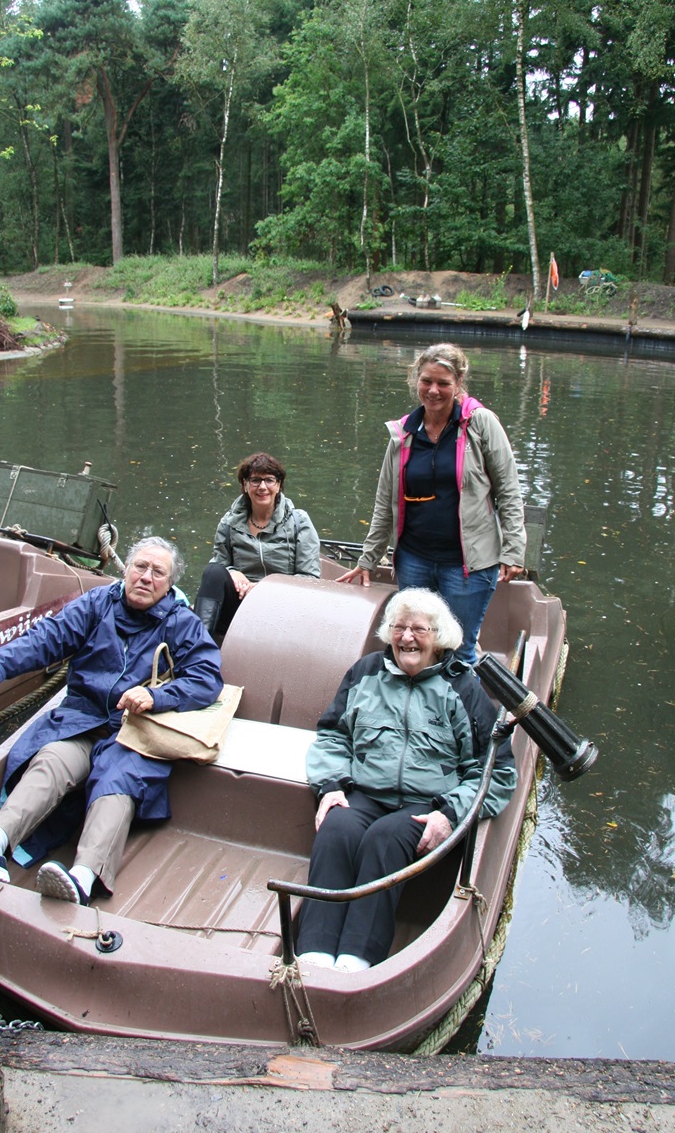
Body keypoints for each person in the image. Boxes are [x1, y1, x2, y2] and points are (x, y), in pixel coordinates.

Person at [0, 535, 223, 906]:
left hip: (134, 731)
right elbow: (45, 639)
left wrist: (156, 696)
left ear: (170, 584)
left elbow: (207, 678)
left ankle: (83, 878)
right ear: (127, 570)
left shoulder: (182, 622)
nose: (146, 577)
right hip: (80, 720)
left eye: (157, 572)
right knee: (52, 760)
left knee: (118, 783)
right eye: (140, 567)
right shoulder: (97, 604)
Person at [296, 587, 516, 972]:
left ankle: (357, 959)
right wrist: (330, 786)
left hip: (427, 803)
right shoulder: (365, 673)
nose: (407, 637)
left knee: (386, 839)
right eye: (399, 627)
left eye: (419, 629)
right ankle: (312, 953)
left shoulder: (463, 689)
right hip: (365, 793)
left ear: (439, 638)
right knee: (337, 829)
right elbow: (332, 737)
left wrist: (450, 814)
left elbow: (494, 771)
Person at [337, 343, 525, 664]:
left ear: (459, 383)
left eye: (443, 383)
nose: (434, 390)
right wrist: (369, 558)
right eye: (426, 381)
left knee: (458, 650)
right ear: (415, 381)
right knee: (415, 647)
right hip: (414, 561)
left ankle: (455, 713)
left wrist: (513, 550)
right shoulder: (404, 434)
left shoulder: (480, 425)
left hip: (468, 566)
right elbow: (385, 502)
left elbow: (508, 490)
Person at [193, 452, 321, 640]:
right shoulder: (229, 522)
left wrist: (263, 588)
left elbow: (309, 577)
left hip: (282, 604)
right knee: (213, 571)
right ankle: (196, 644)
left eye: (269, 480)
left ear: (278, 485)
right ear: (245, 485)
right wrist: (231, 571)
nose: (262, 487)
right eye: (255, 480)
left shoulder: (299, 521)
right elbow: (218, 564)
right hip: (239, 603)